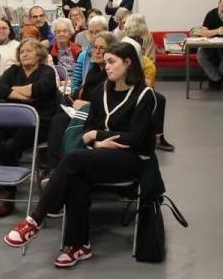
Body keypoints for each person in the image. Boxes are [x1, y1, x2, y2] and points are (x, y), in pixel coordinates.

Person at [4, 42, 156, 268]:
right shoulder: (101, 91)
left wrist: (99, 134)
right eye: (105, 62)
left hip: (131, 161)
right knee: (75, 177)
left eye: (112, 62)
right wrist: (99, 140)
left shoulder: (145, 95)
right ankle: (79, 246)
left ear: (128, 63)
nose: (107, 67)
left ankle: (35, 219)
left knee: (73, 159)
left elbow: (135, 138)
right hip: (99, 153)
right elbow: (86, 132)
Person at [0, 39, 58, 217]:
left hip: (40, 120)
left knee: (10, 146)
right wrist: (25, 95)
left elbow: (41, 88)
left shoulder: (47, 71)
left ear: (39, 54)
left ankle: (7, 191)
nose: (25, 54)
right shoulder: (13, 70)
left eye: (29, 51)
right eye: (22, 52)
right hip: (16, 118)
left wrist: (14, 91)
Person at [45, 31, 118, 176]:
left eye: (101, 48)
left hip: (98, 115)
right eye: (94, 47)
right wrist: (72, 99)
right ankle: (54, 166)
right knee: (57, 110)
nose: (96, 51)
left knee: (59, 121)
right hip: (83, 109)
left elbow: (108, 102)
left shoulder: (112, 74)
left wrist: (83, 104)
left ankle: (57, 167)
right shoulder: (95, 69)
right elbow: (83, 91)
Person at [121, 18, 174, 152]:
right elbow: (139, 70)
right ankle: (158, 137)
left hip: (126, 82)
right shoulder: (136, 46)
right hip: (129, 85)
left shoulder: (123, 41)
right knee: (159, 99)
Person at [70, 15, 109, 97]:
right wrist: (76, 96)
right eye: (91, 32)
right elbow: (75, 82)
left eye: (98, 32)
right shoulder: (83, 55)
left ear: (106, 31)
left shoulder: (112, 56)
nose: (94, 35)